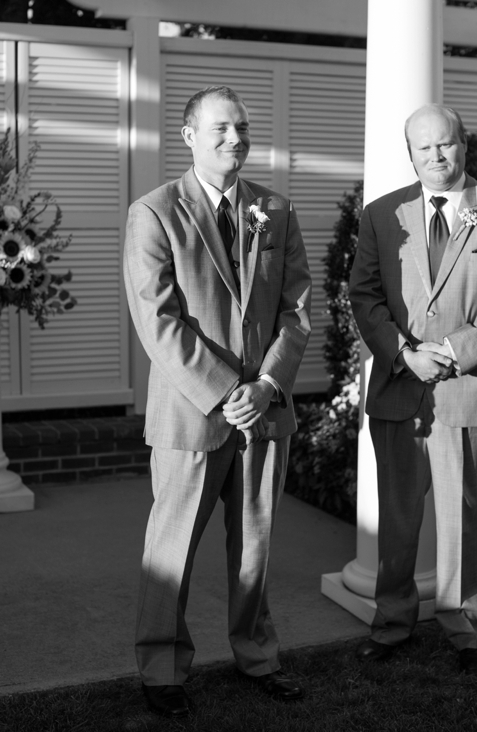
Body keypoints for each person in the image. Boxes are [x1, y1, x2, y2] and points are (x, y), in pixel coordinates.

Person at [123, 86, 312, 718]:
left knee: (254, 546)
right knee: (171, 547)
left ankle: (257, 655)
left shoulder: (276, 211)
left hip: (265, 410)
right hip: (192, 414)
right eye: (220, 129)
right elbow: (159, 323)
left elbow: (297, 310)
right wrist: (229, 392)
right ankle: (162, 666)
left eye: (242, 128)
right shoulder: (154, 213)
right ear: (189, 135)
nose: (235, 139)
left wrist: (265, 387)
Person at [347, 104, 477, 673]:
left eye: (446, 144)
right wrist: (404, 353)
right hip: (398, 391)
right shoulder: (381, 215)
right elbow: (364, 295)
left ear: (463, 146)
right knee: (398, 519)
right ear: (410, 154)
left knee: (465, 518)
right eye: (423, 147)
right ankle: (393, 622)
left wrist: (453, 351)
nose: (436, 156)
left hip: (464, 389)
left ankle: (470, 627)